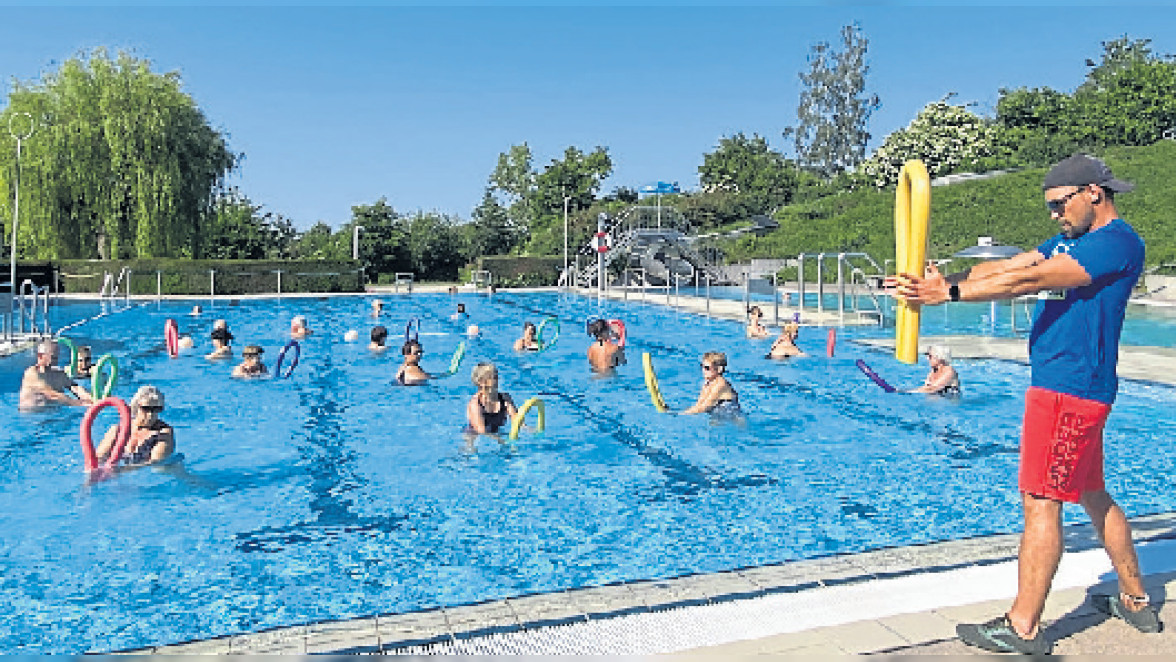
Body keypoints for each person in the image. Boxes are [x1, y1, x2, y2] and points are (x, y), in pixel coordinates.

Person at [891, 153, 1158, 654]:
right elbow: (1009, 267)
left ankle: (1023, 628)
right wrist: (938, 279)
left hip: (1067, 392)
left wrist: (946, 292)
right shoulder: (1071, 239)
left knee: (1041, 501)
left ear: (1093, 193)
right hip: (1078, 391)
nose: (1055, 215)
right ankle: (1135, 599)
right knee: (1093, 495)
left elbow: (1032, 281)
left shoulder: (1115, 244)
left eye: (1060, 204)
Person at [95, 385, 175, 466]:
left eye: (156, 409)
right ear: (136, 407)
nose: (151, 414)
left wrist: (121, 471)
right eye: (146, 409)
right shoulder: (117, 430)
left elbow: (155, 463)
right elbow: (99, 458)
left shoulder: (163, 433)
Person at [19, 340, 94, 409]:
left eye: (57, 357)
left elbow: (76, 388)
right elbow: (51, 394)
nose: (56, 361)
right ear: (40, 356)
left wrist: (92, 399)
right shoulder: (32, 373)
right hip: (32, 417)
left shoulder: (59, 373)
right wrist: (78, 403)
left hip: (53, 413)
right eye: (53, 357)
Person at [680, 351, 742, 418]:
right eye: (702, 366)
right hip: (719, 417)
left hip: (734, 420)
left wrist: (676, 414)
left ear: (719, 369)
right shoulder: (707, 383)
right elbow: (698, 405)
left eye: (707, 368)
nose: (703, 370)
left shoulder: (721, 384)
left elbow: (703, 408)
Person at [464, 361, 518, 436]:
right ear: (482, 382)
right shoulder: (475, 404)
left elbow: (517, 422)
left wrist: (532, 432)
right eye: (494, 377)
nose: (497, 380)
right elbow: (482, 432)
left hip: (496, 433)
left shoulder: (505, 399)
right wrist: (502, 440)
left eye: (497, 377)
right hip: (474, 435)